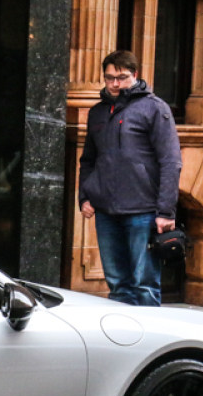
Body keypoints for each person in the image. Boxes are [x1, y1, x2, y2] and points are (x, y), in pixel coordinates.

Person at [78, 50, 182, 307]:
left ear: (135, 75)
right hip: (105, 211)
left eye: (121, 78)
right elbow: (88, 160)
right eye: (109, 78)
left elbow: (171, 161)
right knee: (117, 284)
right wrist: (85, 195)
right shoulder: (98, 112)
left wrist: (166, 211)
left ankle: (151, 343)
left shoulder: (155, 108)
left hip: (143, 210)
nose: (115, 84)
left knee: (144, 284)